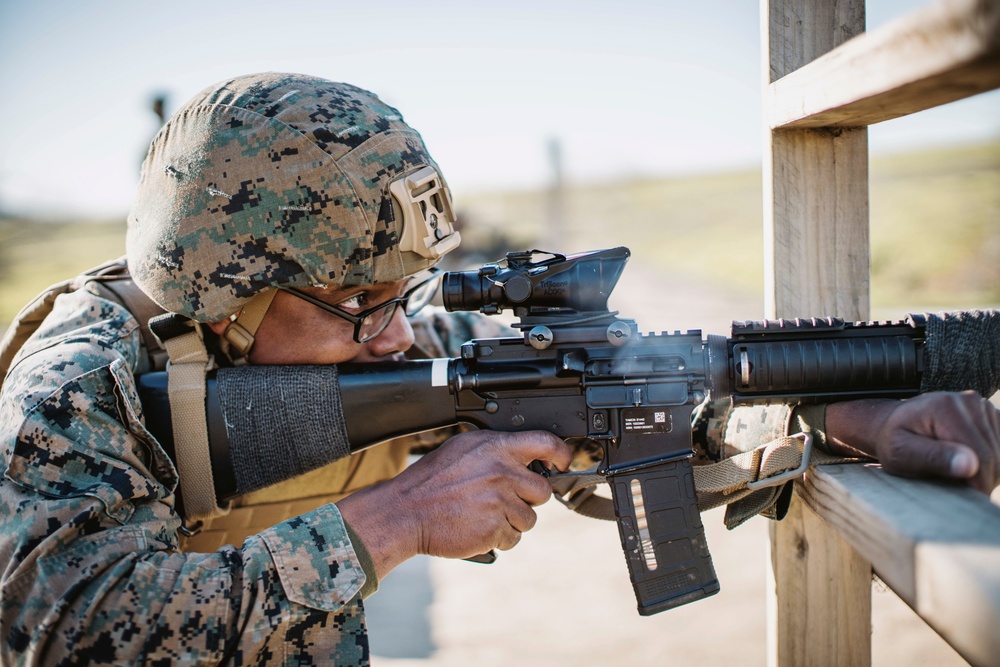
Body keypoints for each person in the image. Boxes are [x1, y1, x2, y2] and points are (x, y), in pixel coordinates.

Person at [0, 72, 997, 665]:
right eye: (360, 303)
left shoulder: (383, 330)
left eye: (407, 292)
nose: (398, 334)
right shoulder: (75, 390)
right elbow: (53, 634)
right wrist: (395, 519)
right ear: (230, 287)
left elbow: (630, 394)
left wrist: (826, 418)